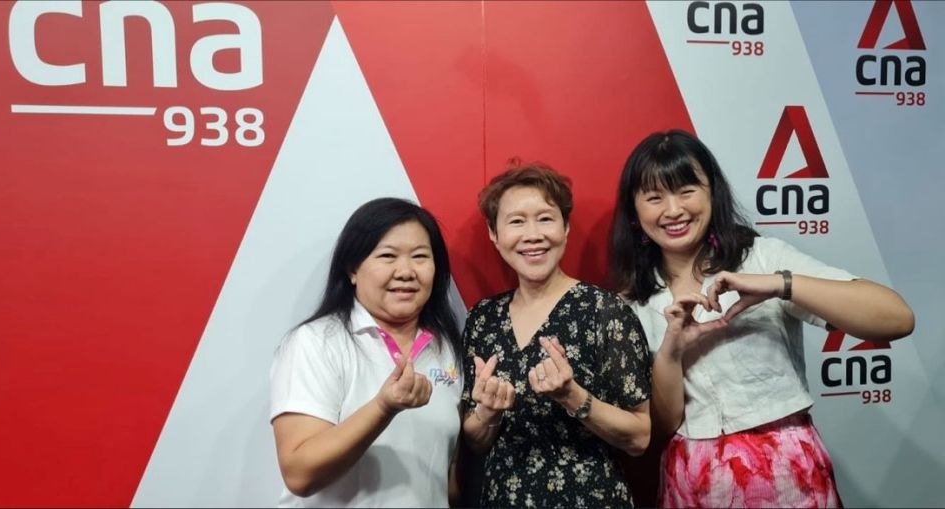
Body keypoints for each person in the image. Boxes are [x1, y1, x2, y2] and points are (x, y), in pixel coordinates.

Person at [609, 129, 915, 508]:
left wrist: (780, 284)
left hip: (788, 472)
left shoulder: (762, 258)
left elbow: (897, 318)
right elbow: (662, 426)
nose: (673, 211)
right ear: (635, 211)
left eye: (687, 191)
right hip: (693, 480)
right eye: (654, 198)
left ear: (713, 193)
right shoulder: (632, 304)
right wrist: (672, 351)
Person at [460, 162, 652, 508]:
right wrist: (487, 413)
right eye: (516, 221)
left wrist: (572, 396)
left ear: (565, 228)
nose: (533, 234)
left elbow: (639, 437)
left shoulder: (604, 311)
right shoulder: (483, 318)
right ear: (494, 233)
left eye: (545, 219)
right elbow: (475, 441)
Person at [269, 197, 464, 507]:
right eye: (387, 256)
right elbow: (299, 474)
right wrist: (384, 407)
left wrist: (486, 424)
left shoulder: (447, 348)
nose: (406, 271)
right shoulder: (316, 342)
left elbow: (445, 482)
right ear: (352, 269)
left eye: (420, 256)